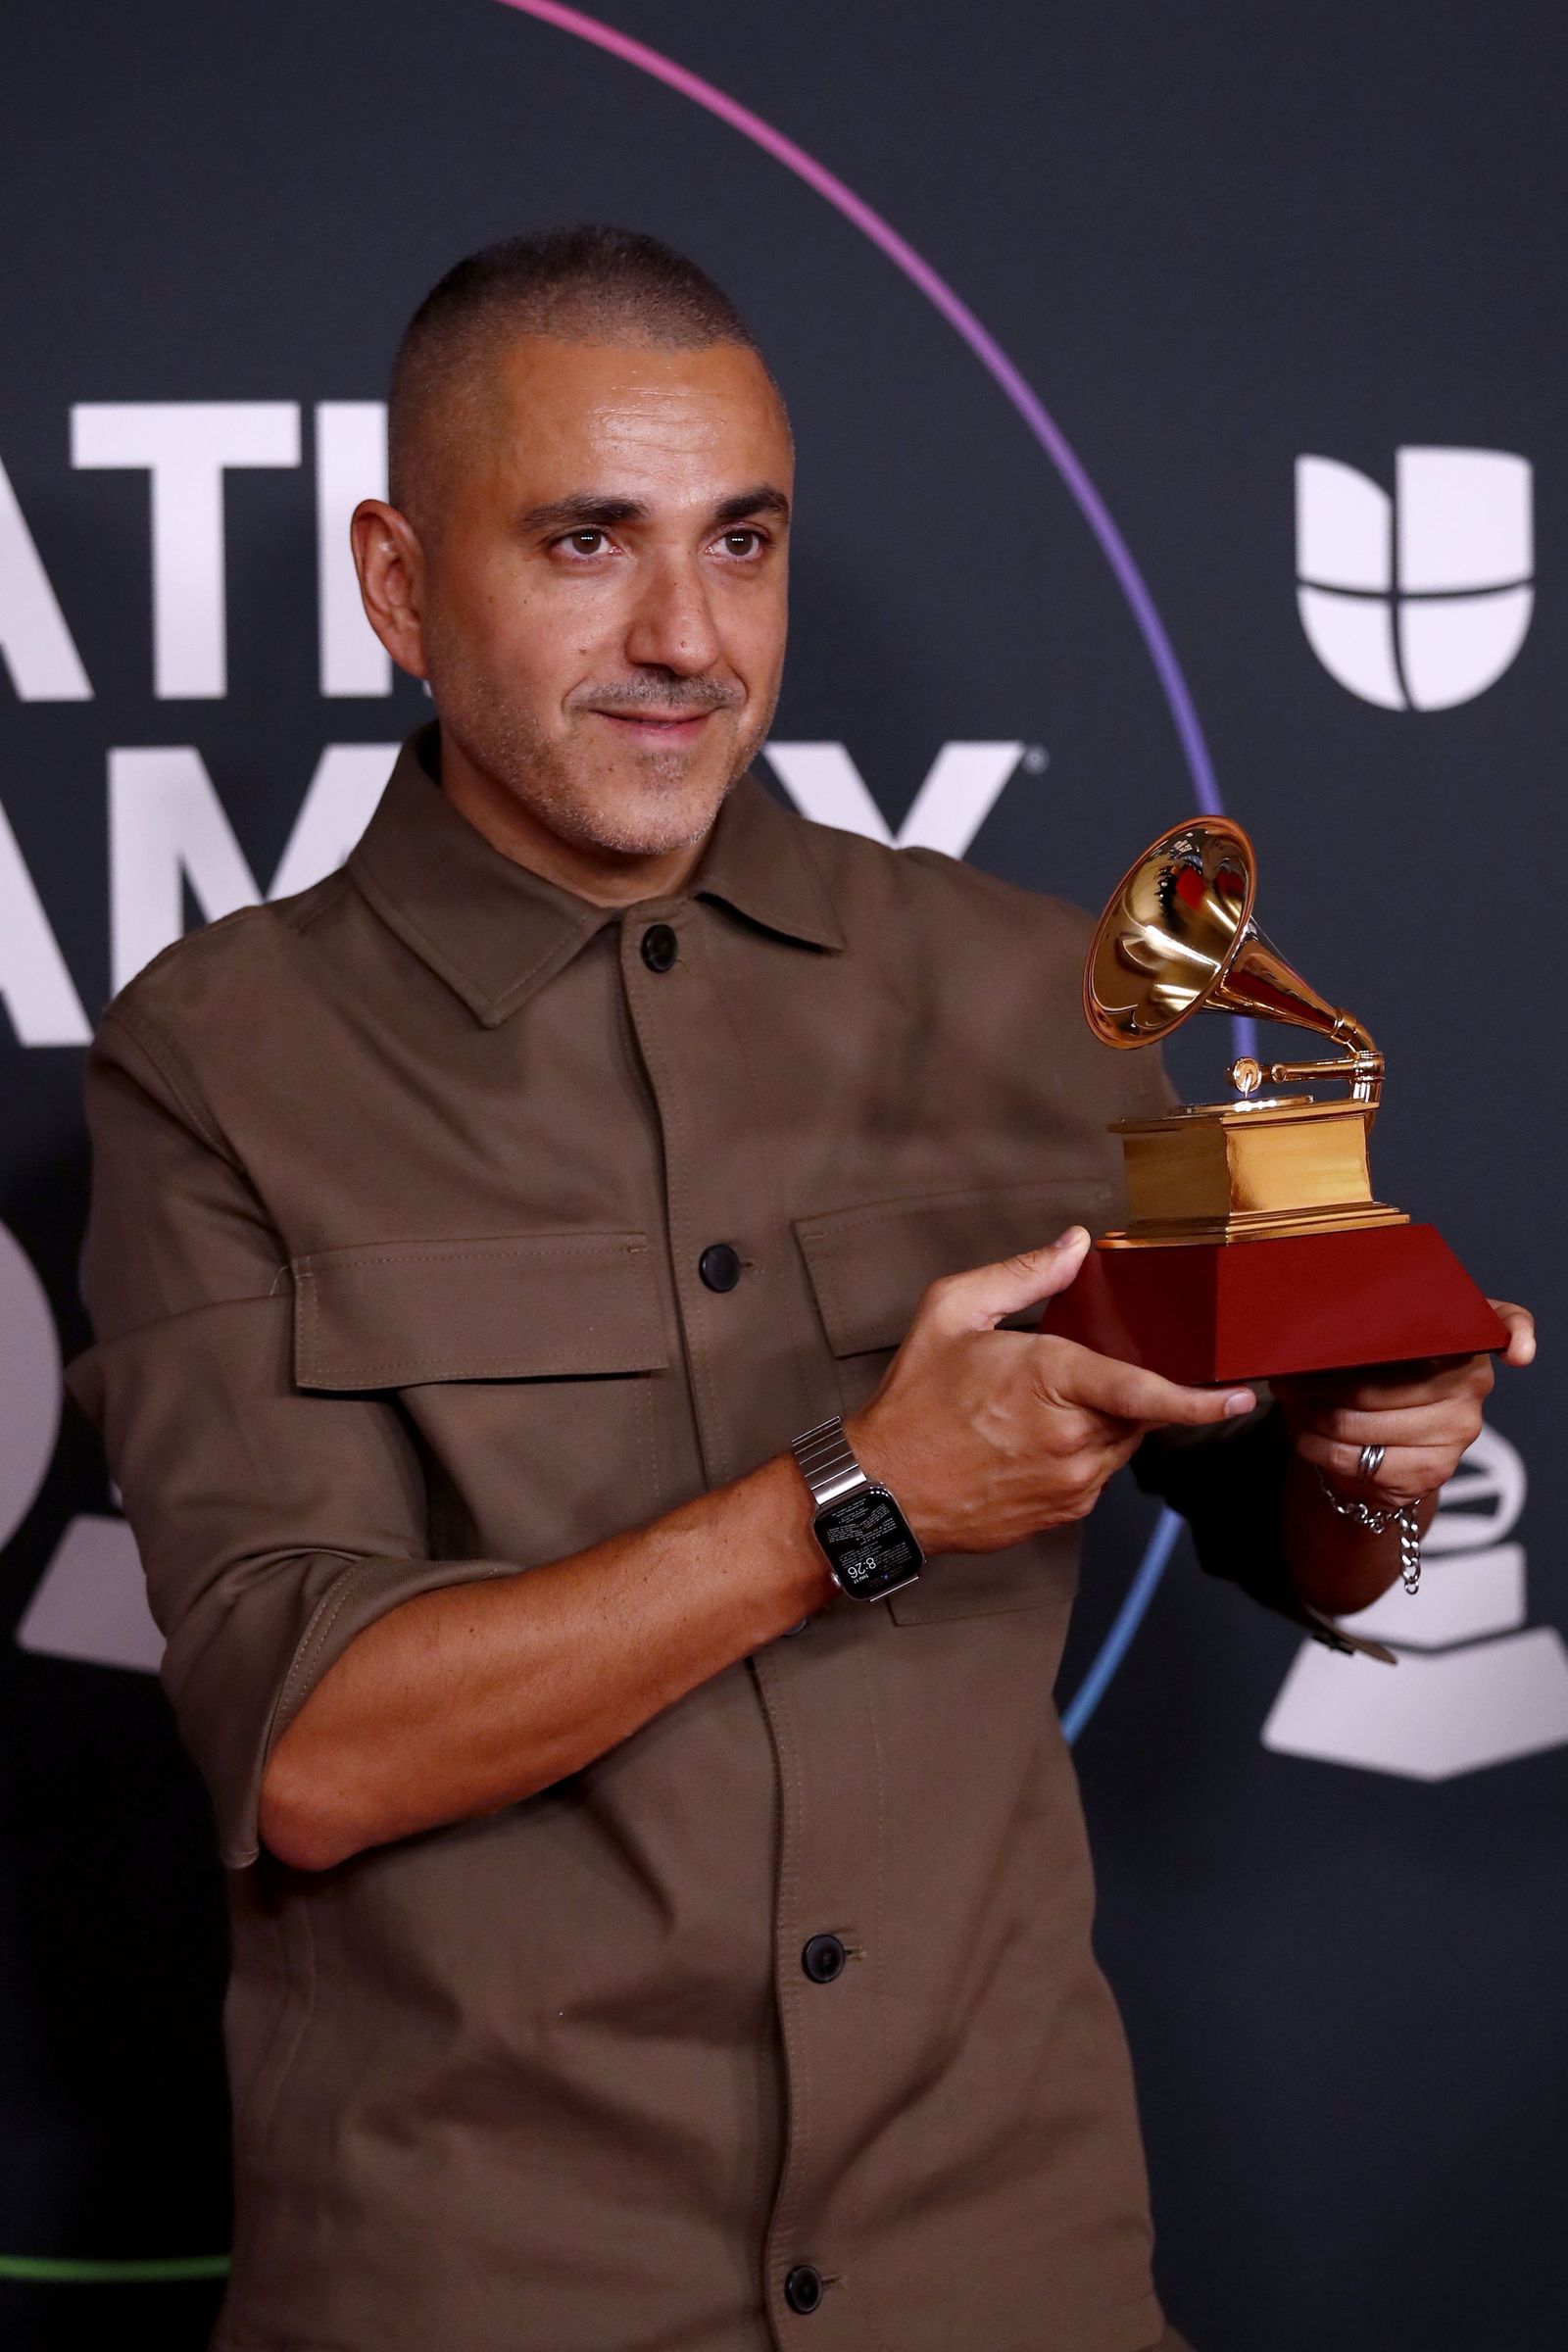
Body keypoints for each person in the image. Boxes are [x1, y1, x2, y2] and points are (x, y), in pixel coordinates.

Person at [70, 226, 1531, 2352]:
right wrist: (859, 1500)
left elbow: (1299, 1544)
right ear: (397, 585)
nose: (685, 638)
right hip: (488, 2292)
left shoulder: (1025, 991)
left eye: (739, 543)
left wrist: (1375, 1467)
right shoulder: (217, 1064)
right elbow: (309, 1748)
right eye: (587, 541)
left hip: (1005, 2274)